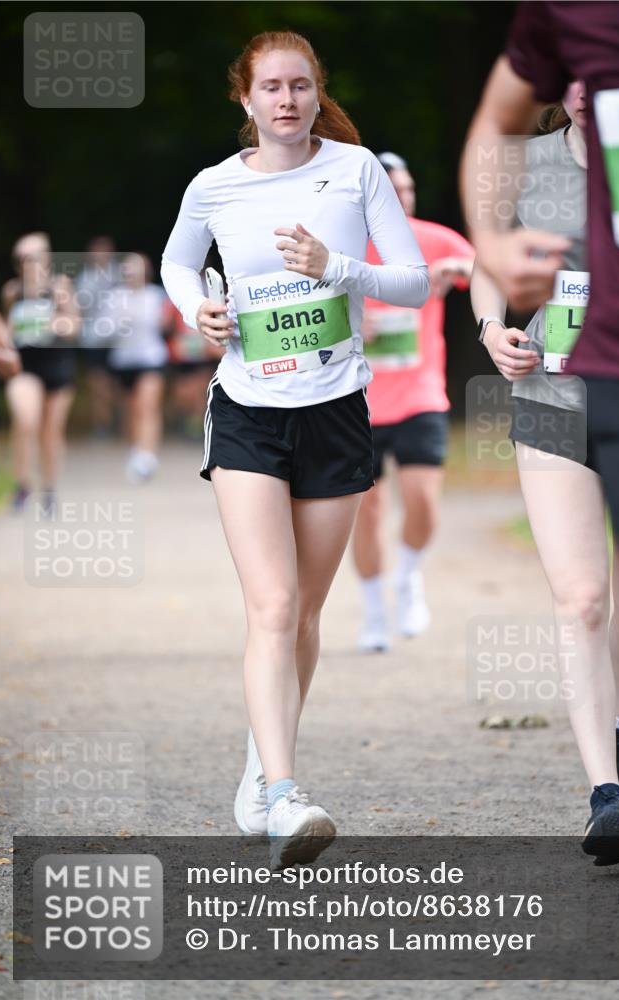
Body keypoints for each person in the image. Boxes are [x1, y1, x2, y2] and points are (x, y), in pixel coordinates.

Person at [161, 30, 428, 868]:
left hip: (337, 410)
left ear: (317, 94)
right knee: (272, 607)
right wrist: (195, 311)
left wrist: (335, 265)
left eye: (301, 86)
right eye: (271, 87)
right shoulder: (212, 188)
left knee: (306, 613)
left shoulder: (355, 172)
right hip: (247, 410)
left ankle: (259, 766)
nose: (286, 100)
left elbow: (415, 282)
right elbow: (176, 265)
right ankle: (282, 794)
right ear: (245, 98)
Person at [460, 2, 619, 888]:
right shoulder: (528, 160)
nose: (581, 89)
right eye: (566, 77)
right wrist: (490, 327)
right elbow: (480, 257)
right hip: (546, 397)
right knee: (577, 600)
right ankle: (604, 792)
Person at [352, 151, 474, 651]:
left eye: (407, 188)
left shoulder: (433, 237)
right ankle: (374, 613)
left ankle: (407, 575)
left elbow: (490, 270)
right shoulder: (344, 245)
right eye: (392, 190)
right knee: (367, 512)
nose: (403, 198)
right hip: (356, 400)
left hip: (422, 393)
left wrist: (456, 266)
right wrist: (354, 322)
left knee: (423, 502)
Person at [0, 232, 80, 514]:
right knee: (26, 419)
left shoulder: (60, 286)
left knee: (51, 431)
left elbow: (75, 324)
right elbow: (7, 331)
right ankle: (22, 484)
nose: (28, 263)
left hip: (57, 366)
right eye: (22, 258)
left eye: (33, 257)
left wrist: (56, 324)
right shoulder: (12, 291)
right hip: (25, 367)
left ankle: (49, 490)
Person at [105, 253, 168, 483]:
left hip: (151, 358)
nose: (131, 274)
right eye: (127, 269)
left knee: (147, 406)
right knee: (131, 410)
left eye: (135, 269)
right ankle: (136, 450)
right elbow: (105, 329)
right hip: (123, 360)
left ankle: (148, 456)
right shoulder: (114, 297)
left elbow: (165, 325)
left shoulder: (156, 295)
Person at [74, 236, 121, 440]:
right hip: (93, 339)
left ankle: (120, 423)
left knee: (117, 385)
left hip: (118, 339)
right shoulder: (84, 279)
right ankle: (101, 424)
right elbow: (80, 308)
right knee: (97, 385)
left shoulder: (119, 275)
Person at [164, 297, 223, 441]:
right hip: (181, 356)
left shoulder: (213, 295)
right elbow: (165, 326)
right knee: (182, 393)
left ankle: (197, 425)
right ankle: (185, 421)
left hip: (204, 355)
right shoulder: (175, 297)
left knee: (201, 390)